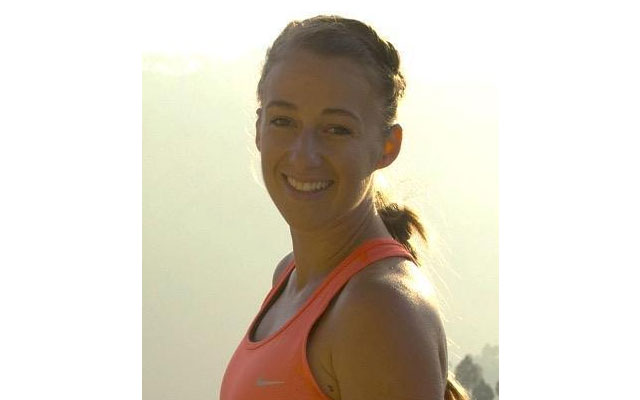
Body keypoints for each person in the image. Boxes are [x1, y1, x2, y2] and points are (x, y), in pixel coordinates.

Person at [220, 15, 469, 400]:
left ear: (387, 147)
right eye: (283, 121)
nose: (304, 155)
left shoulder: (379, 310)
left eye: (336, 129)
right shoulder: (290, 276)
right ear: (258, 129)